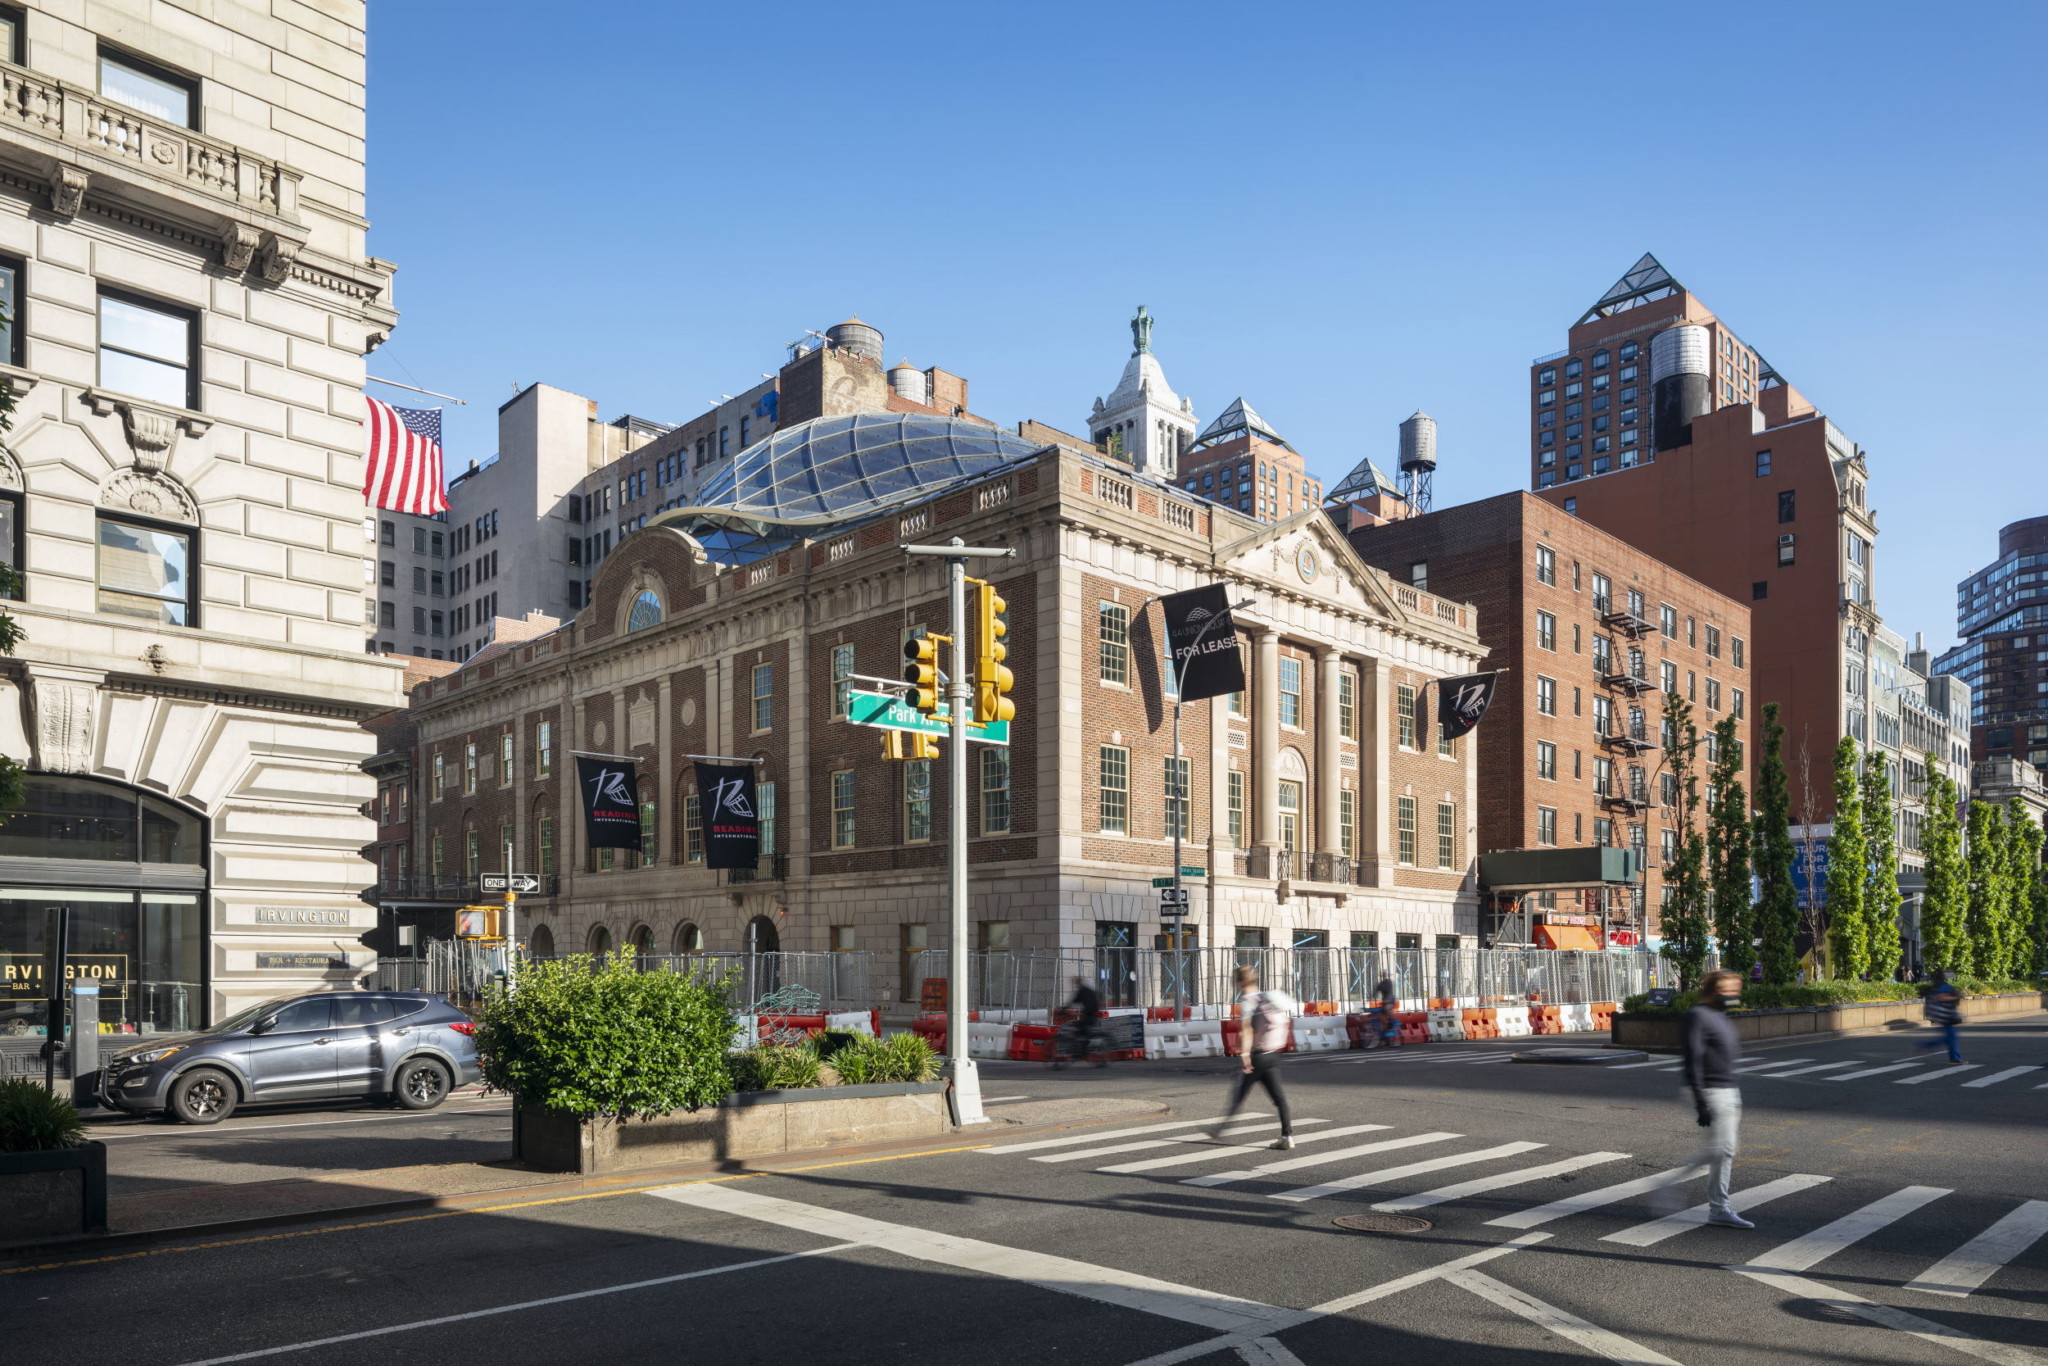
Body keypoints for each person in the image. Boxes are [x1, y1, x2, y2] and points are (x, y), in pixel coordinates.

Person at [1681, 969, 1753, 1229]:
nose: (1733, 995)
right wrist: (1701, 1102)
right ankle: (1718, 1208)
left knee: (1724, 1150)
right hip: (1712, 1091)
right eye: (1728, 990)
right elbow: (1692, 1060)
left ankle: (1715, 1206)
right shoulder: (1697, 1016)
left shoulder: (1719, 1015)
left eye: (1736, 990)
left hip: (1729, 1090)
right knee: (1722, 1150)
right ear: (1713, 990)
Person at [1215, 966, 1295, 1148]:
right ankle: (1287, 1136)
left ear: (1241, 982)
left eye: (1236, 981)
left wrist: (1244, 1055)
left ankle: (1220, 1129)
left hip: (1257, 1056)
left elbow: (1246, 1030)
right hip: (1273, 1054)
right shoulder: (1267, 998)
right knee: (1279, 1098)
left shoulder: (1247, 1002)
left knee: (1239, 1094)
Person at [1914, 969, 1964, 1063]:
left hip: (1943, 1015)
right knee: (1950, 1037)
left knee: (1950, 1037)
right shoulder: (1943, 986)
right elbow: (1941, 997)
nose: (1949, 973)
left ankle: (1954, 1057)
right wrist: (1956, 997)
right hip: (1945, 1015)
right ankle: (1954, 1058)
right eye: (1946, 972)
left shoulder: (1940, 984)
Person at [1055, 975, 1104, 1069]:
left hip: (1089, 1016)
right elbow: (1075, 1001)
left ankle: (1082, 1052)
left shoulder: (1082, 991)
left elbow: (1072, 1002)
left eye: (1075, 983)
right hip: (1091, 1015)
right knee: (1081, 1032)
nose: (1074, 984)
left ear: (1078, 983)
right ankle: (1081, 1052)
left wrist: (1062, 1010)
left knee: (1077, 1028)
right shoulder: (1086, 990)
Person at [1367, 973, 1400, 1048]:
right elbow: (1376, 990)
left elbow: (1389, 992)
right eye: (1383, 974)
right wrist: (1371, 997)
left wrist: (1387, 1001)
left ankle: (1390, 1025)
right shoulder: (1381, 983)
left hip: (1390, 1000)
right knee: (1378, 1014)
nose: (1384, 975)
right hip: (1385, 1001)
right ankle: (1382, 1030)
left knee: (1386, 1009)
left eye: (1385, 974)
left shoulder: (1388, 982)